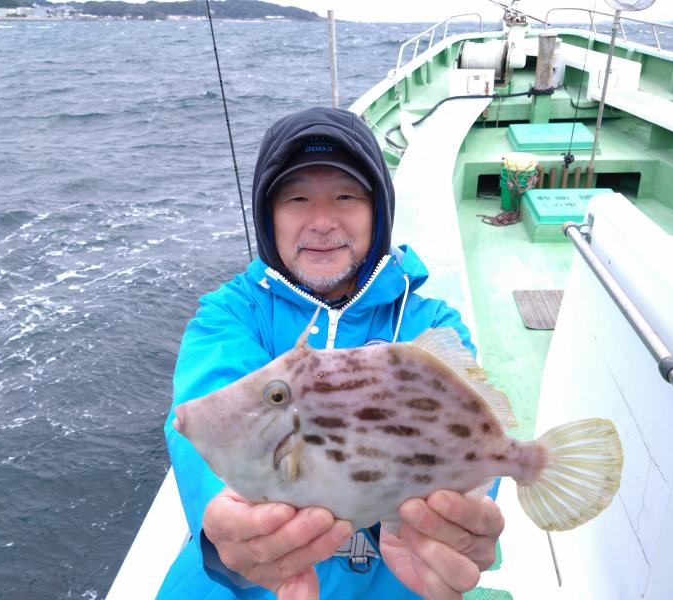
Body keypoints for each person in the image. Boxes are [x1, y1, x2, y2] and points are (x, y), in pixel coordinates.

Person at [160, 107, 504, 600]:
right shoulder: (232, 313)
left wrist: (452, 528)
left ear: (377, 212)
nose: (322, 222)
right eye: (297, 198)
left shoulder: (429, 323)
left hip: (396, 582)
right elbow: (211, 409)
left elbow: (467, 437)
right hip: (236, 588)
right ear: (269, 216)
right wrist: (225, 517)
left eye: (346, 196)